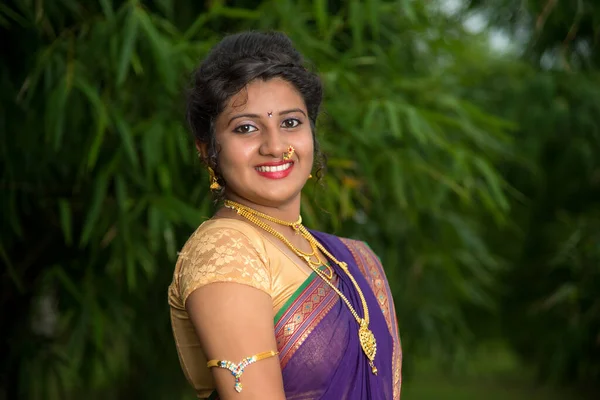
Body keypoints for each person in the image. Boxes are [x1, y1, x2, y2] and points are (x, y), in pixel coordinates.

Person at [168, 31, 402, 400]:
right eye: (246, 128)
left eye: (291, 123)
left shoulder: (349, 259)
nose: (275, 146)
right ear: (207, 149)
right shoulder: (226, 251)